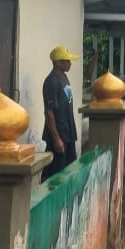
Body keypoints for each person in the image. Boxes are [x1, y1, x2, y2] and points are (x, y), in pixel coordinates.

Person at [42, 45, 79, 179]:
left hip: (68, 133)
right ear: (58, 63)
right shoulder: (51, 82)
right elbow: (49, 112)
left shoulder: (64, 78)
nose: (70, 64)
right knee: (55, 175)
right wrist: (56, 138)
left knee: (69, 171)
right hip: (59, 136)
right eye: (67, 61)